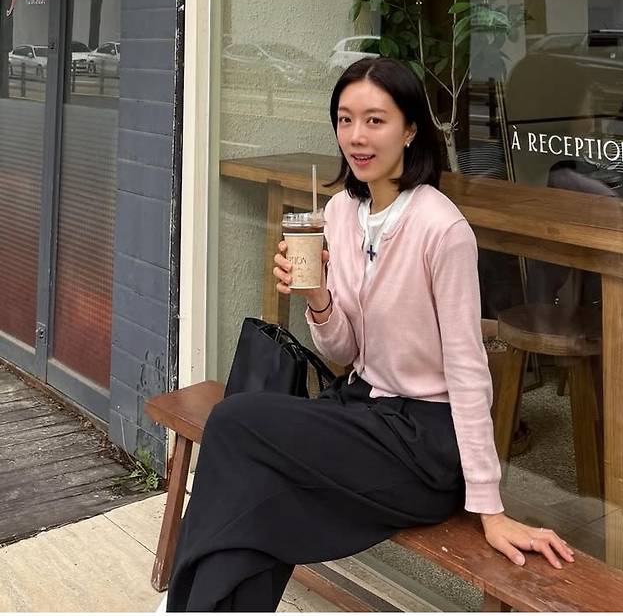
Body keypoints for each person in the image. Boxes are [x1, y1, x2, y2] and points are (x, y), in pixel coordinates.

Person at [166, 57, 574, 612]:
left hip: (423, 443)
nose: (356, 136)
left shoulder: (441, 228)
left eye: (375, 120)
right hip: (362, 411)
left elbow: (467, 369)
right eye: (345, 119)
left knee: (237, 421)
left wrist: (489, 505)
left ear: (410, 130)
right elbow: (345, 351)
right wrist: (317, 297)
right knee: (260, 494)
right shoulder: (339, 212)